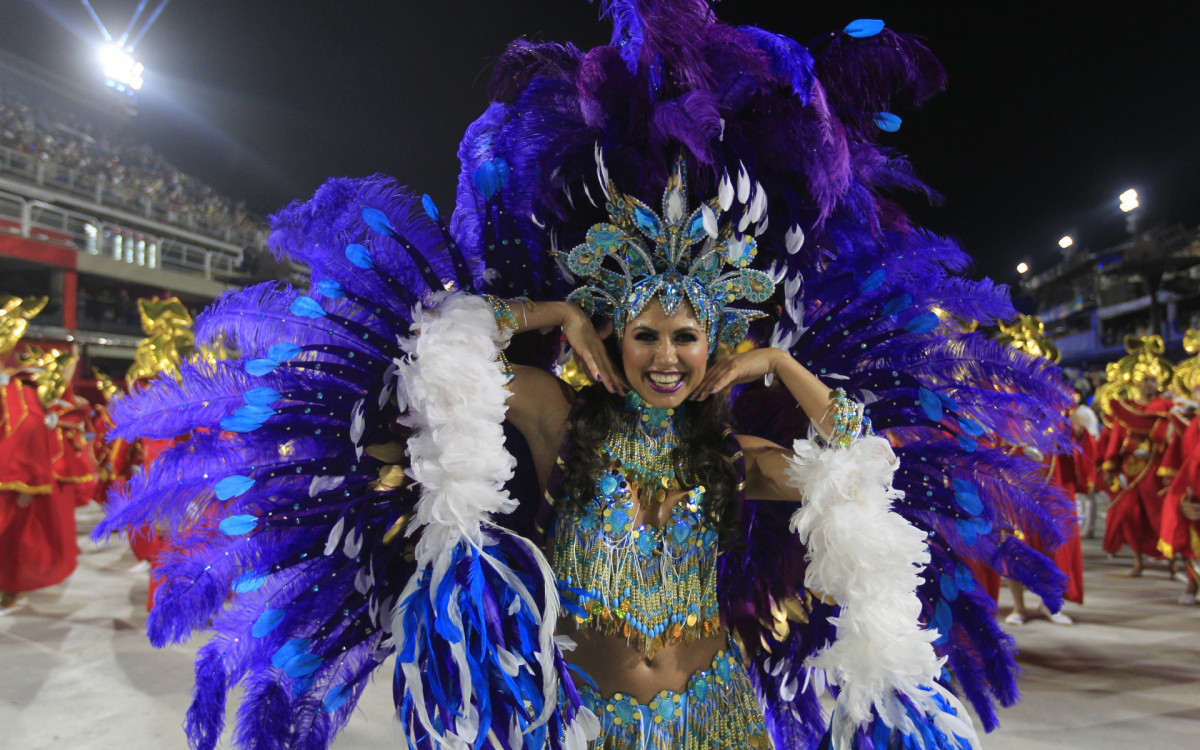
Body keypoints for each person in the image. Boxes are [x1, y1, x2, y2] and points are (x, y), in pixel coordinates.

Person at [95, 4, 1075, 749]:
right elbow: (443, 347)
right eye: (646, 334)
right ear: (617, 335)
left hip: (720, 721)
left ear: (712, 343)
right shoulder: (558, 415)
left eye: (687, 339)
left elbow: (860, 467)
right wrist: (557, 314)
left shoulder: (742, 453)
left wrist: (778, 359)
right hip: (588, 717)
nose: (665, 357)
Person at [1099, 337, 1178, 577]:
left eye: (1153, 380)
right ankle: (1137, 561)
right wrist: (1111, 467)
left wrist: (1156, 440)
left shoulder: (1166, 406)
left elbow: (1174, 438)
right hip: (1130, 469)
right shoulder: (1128, 408)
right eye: (1145, 379)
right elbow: (1117, 437)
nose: (1149, 384)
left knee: (1159, 515)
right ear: (1136, 381)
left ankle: (1172, 562)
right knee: (1131, 517)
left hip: (1156, 469)